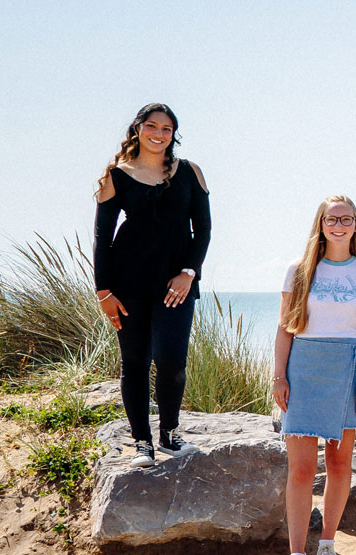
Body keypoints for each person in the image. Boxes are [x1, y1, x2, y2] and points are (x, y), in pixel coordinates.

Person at [92, 102, 210, 467]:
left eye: (167, 128)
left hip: (177, 285)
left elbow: (202, 230)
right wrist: (104, 292)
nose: (159, 134)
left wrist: (189, 272)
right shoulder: (116, 174)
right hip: (127, 285)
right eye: (152, 126)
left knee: (172, 360)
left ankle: (170, 434)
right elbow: (102, 236)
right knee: (135, 361)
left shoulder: (190, 172)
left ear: (174, 134)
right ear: (137, 128)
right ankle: (141, 440)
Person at [272, 196, 356, 555]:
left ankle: (328, 542)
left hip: (346, 368)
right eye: (331, 219)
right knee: (301, 469)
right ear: (320, 224)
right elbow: (285, 327)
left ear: (355, 225)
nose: (339, 226)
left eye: (346, 219)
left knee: (338, 463)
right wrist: (279, 376)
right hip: (302, 368)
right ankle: (297, 551)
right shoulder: (299, 269)